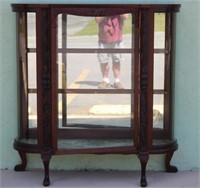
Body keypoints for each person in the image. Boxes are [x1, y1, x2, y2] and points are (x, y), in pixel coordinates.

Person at [95, 14, 129, 89]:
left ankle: (117, 81)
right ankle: (105, 80)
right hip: (103, 40)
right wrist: (107, 10)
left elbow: (126, 16)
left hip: (117, 40)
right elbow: (97, 20)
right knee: (103, 61)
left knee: (117, 61)